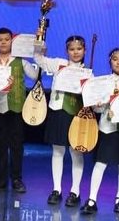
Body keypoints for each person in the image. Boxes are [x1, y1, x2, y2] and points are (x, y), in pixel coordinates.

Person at [81, 47, 119, 215]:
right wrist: (98, 105)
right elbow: (97, 109)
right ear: (110, 62)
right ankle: (92, 199)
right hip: (106, 128)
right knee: (100, 163)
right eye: (115, 59)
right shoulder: (103, 82)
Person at [34, 35, 87, 207]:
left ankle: (75, 191)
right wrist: (40, 42)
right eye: (72, 49)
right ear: (67, 51)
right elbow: (38, 59)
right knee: (58, 151)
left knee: (76, 152)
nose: (75, 52)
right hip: (58, 111)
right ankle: (56, 189)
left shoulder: (88, 72)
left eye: (79, 49)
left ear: (84, 50)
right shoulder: (59, 64)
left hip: (76, 115)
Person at [0, 27, 39, 193]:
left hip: (17, 109)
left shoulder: (20, 60)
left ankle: (17, 179)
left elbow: (35, 76)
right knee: (0, 147)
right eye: (0, 40)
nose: (3, 42)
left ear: (12, 41)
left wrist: (38, 54)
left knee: (17, 146)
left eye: (7, 39)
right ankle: (1, 181)